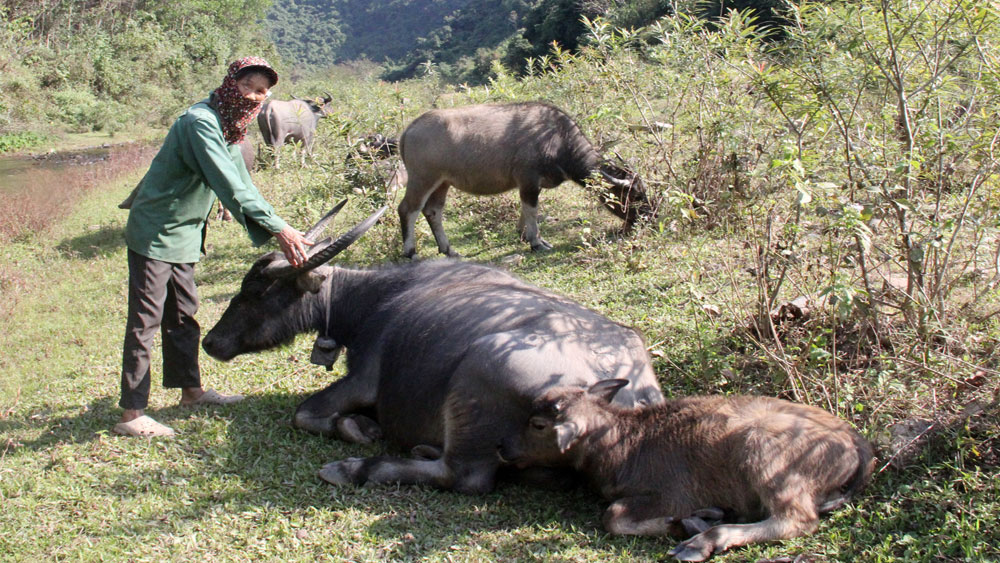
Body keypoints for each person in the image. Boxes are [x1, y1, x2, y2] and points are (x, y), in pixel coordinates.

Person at [114, 57, 312, 437]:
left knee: (184, 314)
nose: (256, 96)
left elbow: (245, 183)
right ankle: (132, 413)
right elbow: (228, 184)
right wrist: (278, 231)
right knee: (145, 320)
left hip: (186, 234)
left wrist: (281, 225)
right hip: (156, 232)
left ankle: (192, 392)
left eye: (263, 91)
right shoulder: (200, 123)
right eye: (248, 87)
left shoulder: (230, 129)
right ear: (230, 84)